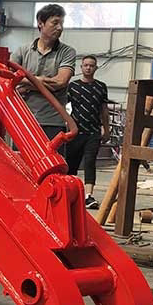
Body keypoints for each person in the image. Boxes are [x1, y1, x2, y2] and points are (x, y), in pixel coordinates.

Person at [11, 4, 76, 142]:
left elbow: (60, 82)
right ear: (41, 23)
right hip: (24, 120)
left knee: (52, 156)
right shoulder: (23, 51)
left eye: (62, 23)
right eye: (55, 23)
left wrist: (25, 85)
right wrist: (40, 82)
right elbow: (7, 78)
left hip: (53, 122)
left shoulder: (67, 52)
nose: (60, 28)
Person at [66, 55, 110, 210]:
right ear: (81, 67)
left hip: (93, 132)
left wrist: (107, 129)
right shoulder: (73, 86)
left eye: (91, 65)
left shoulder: (101, 87)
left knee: (90, 162)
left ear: (95, 68)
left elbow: (104, 110)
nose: (88, 68)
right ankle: (69, 192)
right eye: (85, 65)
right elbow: (63, 106)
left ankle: (88, 196)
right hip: (76, 131)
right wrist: (68, 124)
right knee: (72, 162)